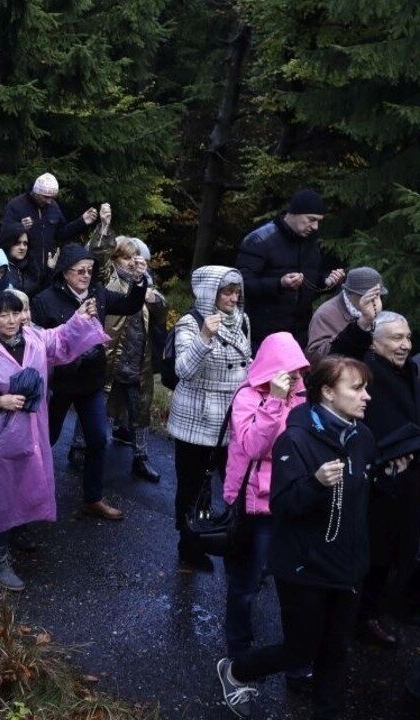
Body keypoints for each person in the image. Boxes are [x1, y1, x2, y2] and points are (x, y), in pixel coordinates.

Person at [216, 356, 410, 720]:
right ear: (326, 392)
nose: (367, 396)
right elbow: (283, 504)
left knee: (335, 652)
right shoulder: (297, 439)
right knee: (300, 651)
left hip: (348, 567)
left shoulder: (361, 436)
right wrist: (316, 483)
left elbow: (363, 494)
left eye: (365, 388)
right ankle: (236, 670)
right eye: (357, 388)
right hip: (303, 567)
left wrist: (389, 476)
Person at [0, 291, 110, 591]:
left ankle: (18, 531)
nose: (11, 320)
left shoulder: (34, 339)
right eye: (3, 315)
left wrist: (80, 318)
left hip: (33, 433)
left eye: (16, 312)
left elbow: (61, 340)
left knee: (26, 485)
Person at [31, 244, 147, 521]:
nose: (86, 275)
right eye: (80, 271)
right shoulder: (45, 300)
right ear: (65, 272)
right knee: (45, 440)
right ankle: (32, 496)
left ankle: (92, 498)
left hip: (91, 381)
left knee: (98, 439)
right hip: (59, 383)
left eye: (90, 270)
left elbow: (130, 305)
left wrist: (139, 281)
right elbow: (37, 344)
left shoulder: (97, 293)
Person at [328, 302, 418, 650]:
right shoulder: (364, 372)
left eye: (408, 337)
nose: (405, 344)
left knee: (399, 550)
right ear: (374, 342)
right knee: (372, 553)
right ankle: (354, 619)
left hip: (409, 480)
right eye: (396, 338)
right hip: (376, 478)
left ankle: (377, 610)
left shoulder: (409, 370)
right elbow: (335, 361)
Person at [221, 331, 309, 662]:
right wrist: (274, 401)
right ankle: (238, 652)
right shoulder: (247, 397)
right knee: (245, 585)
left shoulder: (302, 399)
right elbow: (257, 446)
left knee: (286, 583)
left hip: (288, 503)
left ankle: (296, 659)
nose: (296, 377)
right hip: (252, 506)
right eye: (289, 370)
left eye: (299, 370)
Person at [167, 265, 252, 572]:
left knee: (232, 483)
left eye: (236, 291)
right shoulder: (191, 322)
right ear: (210, 293)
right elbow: (184, 371)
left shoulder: (242, 319)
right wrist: (204, 337)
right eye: (226, 291)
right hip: (197, 417)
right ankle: (189, 546)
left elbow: (246, 360)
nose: (233, 297)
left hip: (233, 416)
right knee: (193, 486)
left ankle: (227, 538)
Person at [236, 188, 345, 351]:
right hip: (261, 336)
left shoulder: (310, 243)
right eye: (311, 219)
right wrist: (279, 284)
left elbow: (309, 287)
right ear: (294, 213)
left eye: (318, 221)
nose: (315, 226)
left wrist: (326, 282)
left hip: (298, 336)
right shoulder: (260, 240)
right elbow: (240, 284)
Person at [102, 237, 165, 481]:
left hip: (137, 359)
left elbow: (161, 313)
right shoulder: (108, 280)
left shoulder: (146, 283)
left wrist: (154, 299)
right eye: (126, 258)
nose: (131, 263)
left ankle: (141, 456)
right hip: (110, 357)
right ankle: (79, 445)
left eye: (135, 259)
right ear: (115, 258)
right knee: (99, 403)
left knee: (140, 409)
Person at [0, 172, 98, 286]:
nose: (49, 201)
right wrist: (19, 228)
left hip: (49, 270)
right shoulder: (16, 205)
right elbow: (3, 237)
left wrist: (82, 221)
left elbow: (61, 234)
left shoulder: (53, 207)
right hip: (24, 271)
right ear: (35, 193)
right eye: (45, 197)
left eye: (52, 198)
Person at [306, 266, 387, 364]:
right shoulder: (326, 314)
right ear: (350, 293)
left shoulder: (376, 307)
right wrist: (356, 328)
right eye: (365, 296)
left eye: (377, 296)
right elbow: (314, 357)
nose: (373, 301)